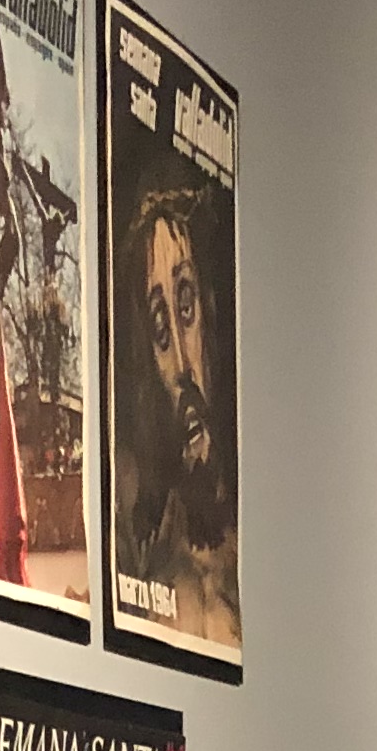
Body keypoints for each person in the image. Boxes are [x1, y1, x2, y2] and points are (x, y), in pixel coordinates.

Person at [116, 183, 235, 642]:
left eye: (186, 308)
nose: (182, 365)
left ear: (209, 307)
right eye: (161, 330)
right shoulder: (142, 535)